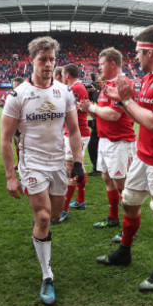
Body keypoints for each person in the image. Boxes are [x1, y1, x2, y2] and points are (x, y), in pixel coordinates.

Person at [94, 27, 153, 296]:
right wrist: (123, 101)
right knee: (130, 202)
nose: (135, 57)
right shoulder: (149, 77)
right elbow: (140, 110)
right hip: (144, 155)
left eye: (137, 52)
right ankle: (124, 251)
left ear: (149, 52)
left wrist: (125, 100)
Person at [0, 36, 84, 306]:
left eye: (52, 60)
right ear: (32, 60)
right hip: (32, 164)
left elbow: (73, 130)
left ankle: (39, 234)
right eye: (42, 59)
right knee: (45, 216)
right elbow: (4, 139)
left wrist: (79, 162)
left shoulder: (64, 92)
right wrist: (10, 176)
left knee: (56, 215)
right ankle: (47, 275)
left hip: (58, 163)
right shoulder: (18, 95)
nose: (48, 64)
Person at [77, 47, 136, 236]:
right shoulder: (107, 84)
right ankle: (113, 217)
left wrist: (91, 107)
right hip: (104, 139)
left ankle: (129, 227)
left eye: (101, 64)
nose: (98, 67)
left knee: (122, 184)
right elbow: (101, 111)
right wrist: (88, 109)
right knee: (107, 178)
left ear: (112, 64)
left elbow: (113, 115)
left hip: (120, 141)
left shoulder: (122, 83)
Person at [58, 63, 91, 223]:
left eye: (62, 74)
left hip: (76, 133)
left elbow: (69, 110)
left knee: (70, 168)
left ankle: (63, 210)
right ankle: (81, 201)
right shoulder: (77, 87)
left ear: (67, 75)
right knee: (79, 166)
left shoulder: (75, 88)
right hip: (77, 132)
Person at [85, 75, 103, 176]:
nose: (97, 84)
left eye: (98, 82)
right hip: (97, 124)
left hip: (102, 125)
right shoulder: (98, 93)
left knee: (94, 146)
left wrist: (94, 92)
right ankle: (97, 167)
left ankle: (98, 168)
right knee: (93, 146)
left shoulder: (102, 93)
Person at [10, 76, 25, 170]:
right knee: (16, 142)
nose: (14, 86)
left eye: (16, 85)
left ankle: (23, 164)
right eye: (14, 85)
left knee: (23, 144)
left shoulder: (26, 96)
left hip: (23, 124)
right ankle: (19, 162)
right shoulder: (13, 95)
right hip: (15, 123)